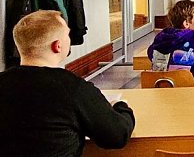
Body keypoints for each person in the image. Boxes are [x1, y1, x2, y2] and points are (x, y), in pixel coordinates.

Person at [0, 10, 135, 156]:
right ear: (57, 46)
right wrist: (121, 107)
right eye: (67, 35)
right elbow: (116, 136)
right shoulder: (73, 88)